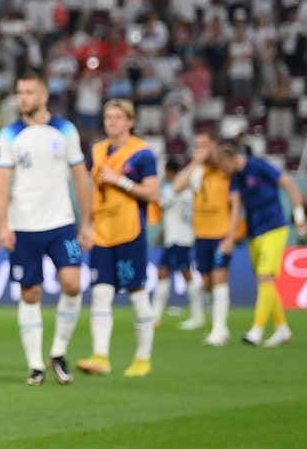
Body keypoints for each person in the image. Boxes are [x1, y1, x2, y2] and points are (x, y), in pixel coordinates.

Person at [0, 73, 93, 386]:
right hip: (24, 227)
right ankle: (35, 364)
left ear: (44, 95)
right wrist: (3, 224)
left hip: (62, 224)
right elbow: (2, 182)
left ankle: (58, 352)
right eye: (20, 92)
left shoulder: (64, 130)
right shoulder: (9, 135)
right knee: (30, 292)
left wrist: (87, 222)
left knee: (73, 283)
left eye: (29, 92)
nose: (23, 97)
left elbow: (81, 177)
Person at [76, 100, 160, 378]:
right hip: (102, 231)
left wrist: (119, 180)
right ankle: (101, 356)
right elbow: (91, 190)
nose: (111, 122)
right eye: (107, 117)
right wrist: (86, 224)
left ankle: (143, 358)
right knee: (100, 293)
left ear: (130, 121)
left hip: (129, 230)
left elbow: (153, 193)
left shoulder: (142, 154)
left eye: (117, 117)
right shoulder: (98, 150)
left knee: (136, 292)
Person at [216, 140, 306, 347]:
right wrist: (230, 237)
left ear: (230, 158)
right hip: (254, 233)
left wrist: (299, 218)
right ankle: (282, 329)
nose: (223, 171)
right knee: (264, 281)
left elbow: (289, 184)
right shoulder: (235, 178)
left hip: (275, 227)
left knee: (265, 276)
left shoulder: (258, 166)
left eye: (223, 166)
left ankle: (256, 329)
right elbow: (236, 207)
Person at [171, 131, 233, 344]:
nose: (201, 150)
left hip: (221, 232)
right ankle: (215, 324)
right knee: (206, 282)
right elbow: (177, 187)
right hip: (201, 234)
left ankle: (219, 330)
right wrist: (194, 163)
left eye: (205, 145)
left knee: (219, 278)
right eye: (197, 146)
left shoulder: (224, 169)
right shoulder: (197, 171)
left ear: (213, 145)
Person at [152, 156, 195, 327]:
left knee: (183, 275)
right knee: (166, 273)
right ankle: (156, 316)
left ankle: (157, 316)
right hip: (176, 238)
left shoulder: (173, 190)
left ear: (170, 172)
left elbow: (162, 203)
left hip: (178, 239)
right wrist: (162, 232)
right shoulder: (189, 191)